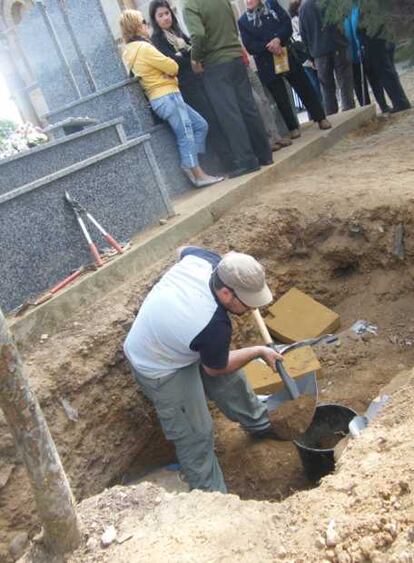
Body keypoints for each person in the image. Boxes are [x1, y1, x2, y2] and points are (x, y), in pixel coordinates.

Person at [124, 246, 283, 493]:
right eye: (248, 303)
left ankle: (260, 423)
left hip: (181, 338)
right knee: (195, 432)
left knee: (233, 382)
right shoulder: (212, 325)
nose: (253, 309)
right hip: (159, 364)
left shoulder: (205, 260)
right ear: (226, 293)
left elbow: (180, 251)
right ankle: (210, 498)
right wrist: (258, 351)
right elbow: (215, 369)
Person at [119, 10, 223, 188]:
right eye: (144, 22)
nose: (147, 25)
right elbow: (172, 66)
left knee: (200, 125)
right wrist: (170, 72)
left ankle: (190, 161)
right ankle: (197, 174)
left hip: (161, 97)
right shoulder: (144, 47)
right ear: (137, 26)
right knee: (186, 135)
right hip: (168, 96)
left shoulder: (128, 51)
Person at [183, 0, 273, 178]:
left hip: (215, 64)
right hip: (235, 58)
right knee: (248, 107)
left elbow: (198, 34)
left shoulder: (191, 5)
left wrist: (195, 59)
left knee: (229, 114)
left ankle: (247, 160)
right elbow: (233, 23)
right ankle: (264, 154)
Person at [149, 0, 235, 171]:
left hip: (200, 81)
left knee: (216, 118)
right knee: (207, 122)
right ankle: (225, 163)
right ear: (155, 19)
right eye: (160, 15)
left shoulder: (178, 32)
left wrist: (184, 53)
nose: (165, 18)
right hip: (186, 88)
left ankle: (230, 158)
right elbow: (174, 62)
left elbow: (195, 50)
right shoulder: (157, 39)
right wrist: (186, 54)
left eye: (167, 13)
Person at [238, 0, 331, 140]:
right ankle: (293, 127)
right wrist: (268, 45)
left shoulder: (272, 6)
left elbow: (287, 25)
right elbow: (250, 45)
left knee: (304, 87)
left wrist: (277, 40)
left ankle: (320, 117)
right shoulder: (243, 21)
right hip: (266, 62)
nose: (248, 1)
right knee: (279, 96)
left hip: (285, 53)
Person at [299, 0, 355, 115]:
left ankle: (331, 114)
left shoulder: (304, 8)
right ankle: (349, 111)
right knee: (344, 82)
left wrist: (310, 55)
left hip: (318, 52)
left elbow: (303, 34)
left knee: (326, 87)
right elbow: (343, 17)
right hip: (338, 45)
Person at [344, 6, 391, 113]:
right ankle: (367, 110)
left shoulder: (356, 8)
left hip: (363, 50)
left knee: (374, 80)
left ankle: (383, 105)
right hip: (352, 55)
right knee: (360, 86)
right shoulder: (342, 13)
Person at [288, 0, 322, 102]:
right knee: (315, 84)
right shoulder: (294, 21)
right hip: (306, 56)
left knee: (318, 83)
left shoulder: (304, 16)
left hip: (310, 53)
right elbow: (298, 37)